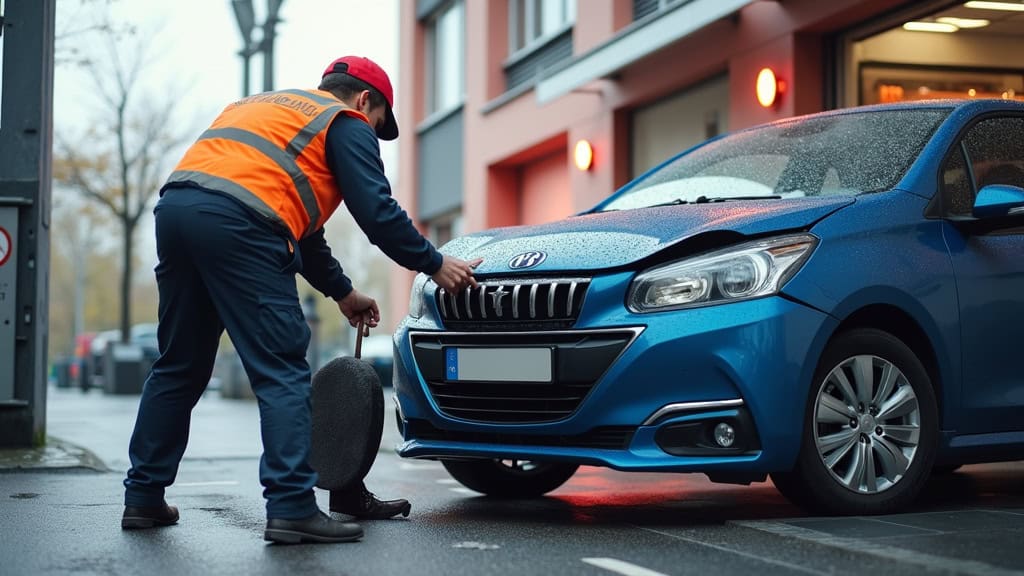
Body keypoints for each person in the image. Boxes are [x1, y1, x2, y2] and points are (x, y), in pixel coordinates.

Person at [121, 55, 481, 544]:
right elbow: (376, 212)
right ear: (364, 100)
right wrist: (434, 264)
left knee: (178, 365)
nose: (372, 134)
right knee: (283, 369)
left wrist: (343, 292)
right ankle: (291, 506)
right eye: (378, 125)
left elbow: (303, 233)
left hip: (178, 211)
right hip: (240, 225)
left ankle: (142, 497)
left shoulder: (270, 110)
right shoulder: (345, 122)